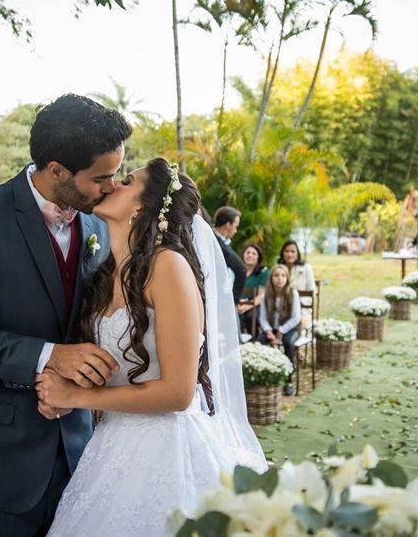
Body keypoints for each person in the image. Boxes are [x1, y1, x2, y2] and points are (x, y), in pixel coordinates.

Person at [0, 94, 129, 536]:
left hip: (78, 455)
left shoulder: (98, 226)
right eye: (102, 177)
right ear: (56, 169)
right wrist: (47, 357)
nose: (112, 188)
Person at [36, 158, 266, 536]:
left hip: (168, 452)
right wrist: (63, 389)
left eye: (125, 180)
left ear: (142, 207)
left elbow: (177, 393)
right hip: (112, 446)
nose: (111, 185)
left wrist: (78, 398)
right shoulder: (106, 270)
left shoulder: (168, 266)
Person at [257, 264, 301, 396]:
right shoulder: (267, 295)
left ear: (287, 278)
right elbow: (263, 318)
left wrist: (281, 331)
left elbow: (296, 318)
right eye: (276, 275)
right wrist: (268, 331)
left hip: (290, 328)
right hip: (272, 329)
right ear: (271, 278)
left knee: (288, 343)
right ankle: (265, 375)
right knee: (260, 341)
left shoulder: (293, 293)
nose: (279, 279)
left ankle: (288, 380)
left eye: (283, 275)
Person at [212, 206, 246, 304]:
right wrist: (233, 301)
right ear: (228, 225)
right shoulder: (220, 245)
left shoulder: (210, 237)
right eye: (236, 226)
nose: (236, 231)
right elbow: (241, 270)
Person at [237, 244, 269, 335]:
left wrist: (246, 306)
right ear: (243, 255)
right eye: (247, 253)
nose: (250, 255)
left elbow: (261, 295)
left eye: (254, 253)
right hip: (238, 304)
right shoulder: (236, 271)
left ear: (258, 257)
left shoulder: (264, 272)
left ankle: (253, 342)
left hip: (255, 305)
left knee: (251, 316)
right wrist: (237, 303)